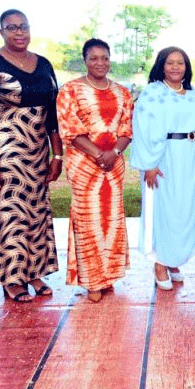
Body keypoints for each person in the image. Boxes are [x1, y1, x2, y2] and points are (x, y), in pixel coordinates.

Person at [0, 9, 63, 302]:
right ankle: (11, 278)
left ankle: (33, 271)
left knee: (36, 212)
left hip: (36, 152)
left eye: (23, 27)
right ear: (1, 32)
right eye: (11, 28)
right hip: (6, 152)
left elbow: (53, 115)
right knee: (10, 213)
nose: (19, 32)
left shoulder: (44, 64)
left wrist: (56, 156)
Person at [57, 39, 133, 303]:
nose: (100, 63)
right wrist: (99, 154)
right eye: (94, 58)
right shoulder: (70, 90)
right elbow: (70, 129)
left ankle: (109, 275)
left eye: (105, 58)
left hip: (114, 165)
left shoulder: (123, 92)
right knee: (88, 219)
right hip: (84, 165)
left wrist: (114, 153)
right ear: (84, 60)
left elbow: (126, 130)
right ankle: (92, 281)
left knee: (111, 219)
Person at [131, 46, 195, 291]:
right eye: (170, 63)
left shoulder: (193, 94)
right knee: (163, 209)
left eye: (181, 63)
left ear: (187, 67)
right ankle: (160, 262)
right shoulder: (153, 93)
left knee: (184, 209)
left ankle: (174, 259)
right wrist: (149, 164)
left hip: (189, 157)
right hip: (163, 158)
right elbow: (142, 128)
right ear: (161, 66)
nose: (176, 67)